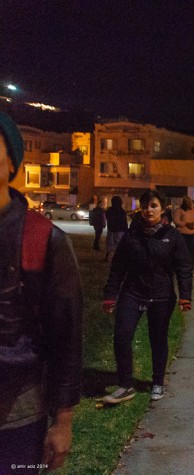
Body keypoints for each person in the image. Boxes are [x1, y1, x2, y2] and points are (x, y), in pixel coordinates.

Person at [0, 112, 83, 473]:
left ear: (12, 162)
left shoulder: (44, 239)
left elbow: (67, 335)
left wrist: (63, 420)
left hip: (17, 414)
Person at [101, 189, 193, 404]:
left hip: (161, 297)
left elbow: (184, 268)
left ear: (162, 208)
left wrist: (185, 295)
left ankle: (158, 382)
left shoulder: (173, 236)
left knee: (157, 339)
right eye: (145, 206)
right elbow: (118, 267)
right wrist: (110, 295)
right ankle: (125, 385)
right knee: (122, 336)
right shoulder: (132, 235)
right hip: (133, 293)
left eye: (153, 205)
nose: (148, 210)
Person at [173, 195, 194, 260]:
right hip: (183, 234)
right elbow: (176, 221)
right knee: (182, 250)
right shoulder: (179, 210)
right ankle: (182, 264)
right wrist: (186, 224)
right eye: (190, 203)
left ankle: (190, 264)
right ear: (186, 204)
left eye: (192, 203)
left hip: (193, 234)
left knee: (191, 250)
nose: (192, 205)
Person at [105, 195, 128, 262]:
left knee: (110, 244)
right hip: (120, 230)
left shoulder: (109, 210)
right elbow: (124, 222)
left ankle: (109, 256)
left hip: (111, 229)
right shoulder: (122, 211)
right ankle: (116, 257)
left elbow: (107, 218)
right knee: (118, 244)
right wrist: (126, 230)